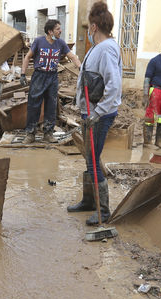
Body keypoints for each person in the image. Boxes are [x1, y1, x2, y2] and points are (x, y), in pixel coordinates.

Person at [66, 1, 122, 225]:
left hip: (99, 114)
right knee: (90, 157)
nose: (88, 29)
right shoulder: (99, 48)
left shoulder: (107, 49)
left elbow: (114, 86)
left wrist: (97, 113)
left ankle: (104, 211)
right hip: (90, 112)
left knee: (92, 160)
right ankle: (89, 202)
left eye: (89, 26)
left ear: (94, 27)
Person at [20, 19, 81, 144]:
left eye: (60, 28)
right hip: (39, 76)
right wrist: (22, 74)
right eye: (58, 29)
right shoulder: (39, 41)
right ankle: (30, 134)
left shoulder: (61, 43)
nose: (60, 31)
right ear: (50, 31)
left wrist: (81, 69)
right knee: (33, 105)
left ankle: (48, 134)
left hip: (52, 77)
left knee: (51, 105)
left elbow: (72, 57)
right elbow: (27, 57)